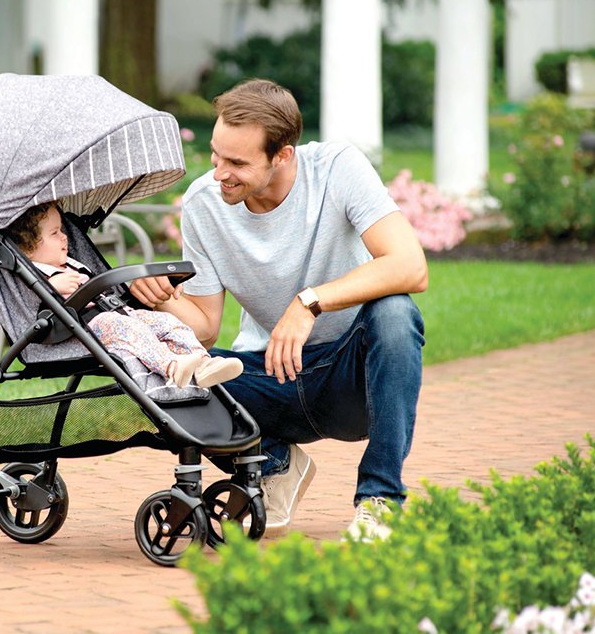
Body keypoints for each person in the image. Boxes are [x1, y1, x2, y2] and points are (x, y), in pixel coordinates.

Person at [130, 79, 428, 541]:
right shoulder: (204, 204)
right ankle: (275, 465)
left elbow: (411, 265)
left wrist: (309, 302)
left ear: (282, 155)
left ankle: (381, 500)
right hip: (273, 377)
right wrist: (161, 296)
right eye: (215, 155)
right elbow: (205, 329)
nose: (219, 173)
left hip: (354, 377)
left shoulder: (336, 169)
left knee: (395, 313)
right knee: (170, 384)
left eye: (236, 163)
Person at [6, 202, 244, 389]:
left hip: (121, 313)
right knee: (128, 329)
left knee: (167, 322)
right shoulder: (37, 278)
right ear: (27, 248)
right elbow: (34, 312)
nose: (64, 237)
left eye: (62, 230)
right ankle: (172, 366)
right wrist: (53, 288)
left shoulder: (73, 265)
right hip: (89, 328)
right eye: (55, 233)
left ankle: (202, 363)